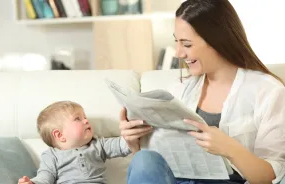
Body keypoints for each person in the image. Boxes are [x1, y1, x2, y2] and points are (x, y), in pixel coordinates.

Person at [119, 0, 285, 184]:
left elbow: (270, 177)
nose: (178, 53)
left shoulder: (268, 91)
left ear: (217, 40)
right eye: (177, 42)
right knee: (144, 161)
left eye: (187, 44)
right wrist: (137, 143)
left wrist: (230, 149)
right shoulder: (180, 89)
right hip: (179, 180)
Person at [18, 101, 141, 184]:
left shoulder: (98, 144)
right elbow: (45, 177)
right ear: (59, 135)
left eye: (85, 117)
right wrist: (33, 183)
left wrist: (131, 136)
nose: (86, 121)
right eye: (78, 118)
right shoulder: (51, 156)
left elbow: (122, 145)